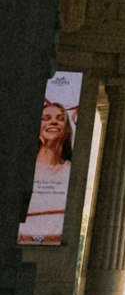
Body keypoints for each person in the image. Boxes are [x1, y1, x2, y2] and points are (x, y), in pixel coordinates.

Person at [19, 101, 74, 244]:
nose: (54, 122)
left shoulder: (71, 171)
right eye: (46, 118)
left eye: (60, 119)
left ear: (67, 129)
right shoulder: (21, 168)